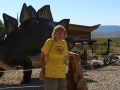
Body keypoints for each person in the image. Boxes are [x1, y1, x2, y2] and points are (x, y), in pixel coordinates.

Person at [40, 25, 81, 90]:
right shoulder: (49, 42)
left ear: (64, 34)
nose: (60, 34)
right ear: (54, 34)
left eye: (62, 33)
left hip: (62, 73)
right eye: (58, 32)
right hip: (51, 73)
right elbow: (43, 57)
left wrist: (75, 54)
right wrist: (43, 71)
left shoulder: (64, 43)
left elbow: (66, 53)